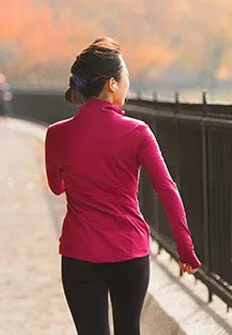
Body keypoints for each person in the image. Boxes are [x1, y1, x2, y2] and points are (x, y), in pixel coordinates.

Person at [44, 37, 201, 335]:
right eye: (125, 74)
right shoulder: (137, 132)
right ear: (113, 84)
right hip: (129, 253)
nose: (128, 80)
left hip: (79, 255)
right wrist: (185, 249)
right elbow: (167, 189)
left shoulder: (56, 135)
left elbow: (56, 186)